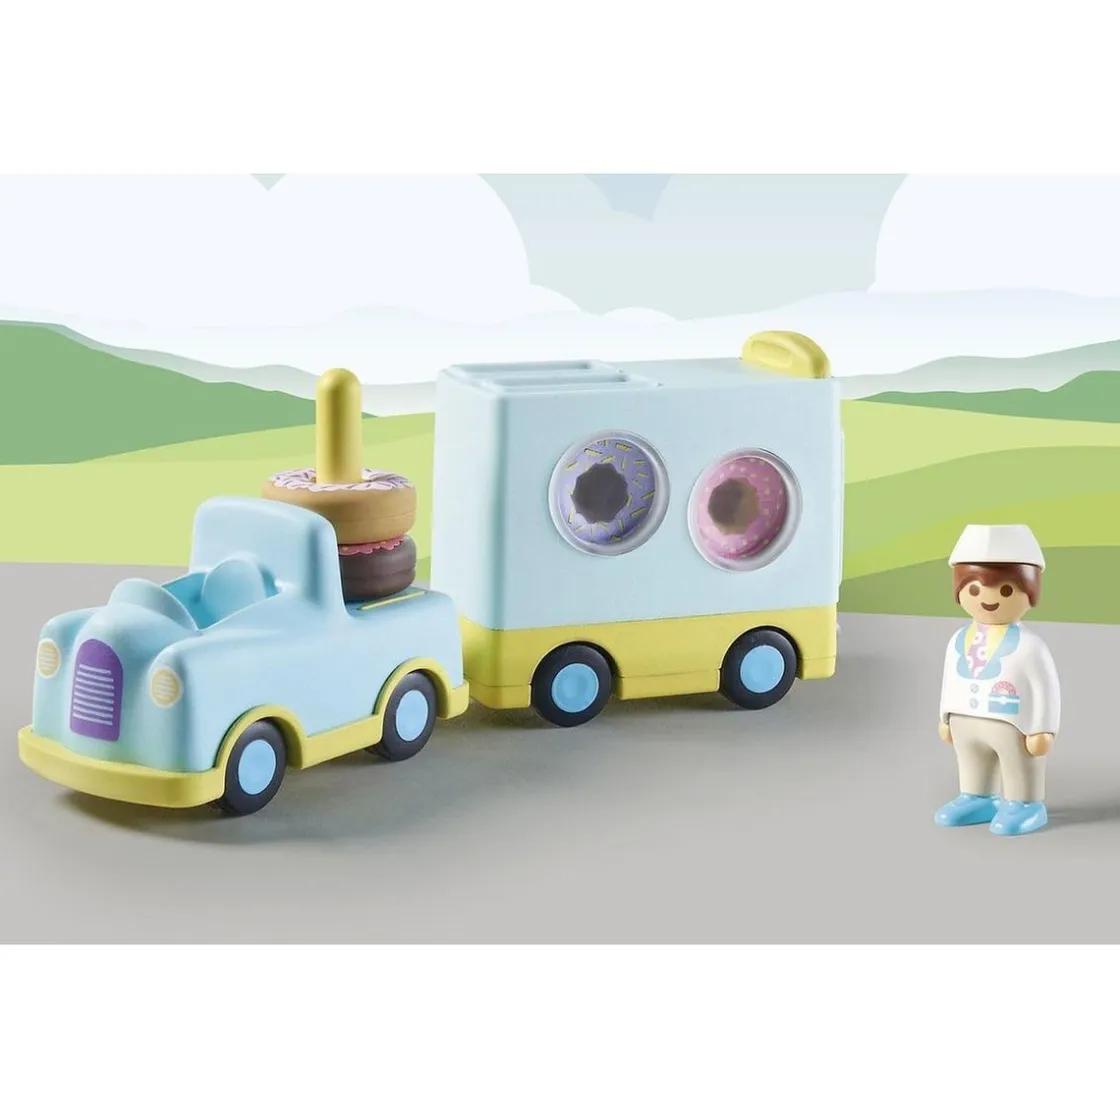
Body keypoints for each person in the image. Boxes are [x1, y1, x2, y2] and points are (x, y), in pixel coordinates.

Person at [935, 524, 1060, 836]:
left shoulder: (1031, 647)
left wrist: (1043, 728)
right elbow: (949, 679)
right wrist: (945, 716)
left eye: (1006, 590)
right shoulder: (957, 639)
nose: (987, 599)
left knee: (1019, 765)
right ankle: (976, 796)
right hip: (965, 720)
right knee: (971, 761)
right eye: (974, 589)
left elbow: (1045, 688)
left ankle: (1025, 803)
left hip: (1014, 723)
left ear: (1030, 590)